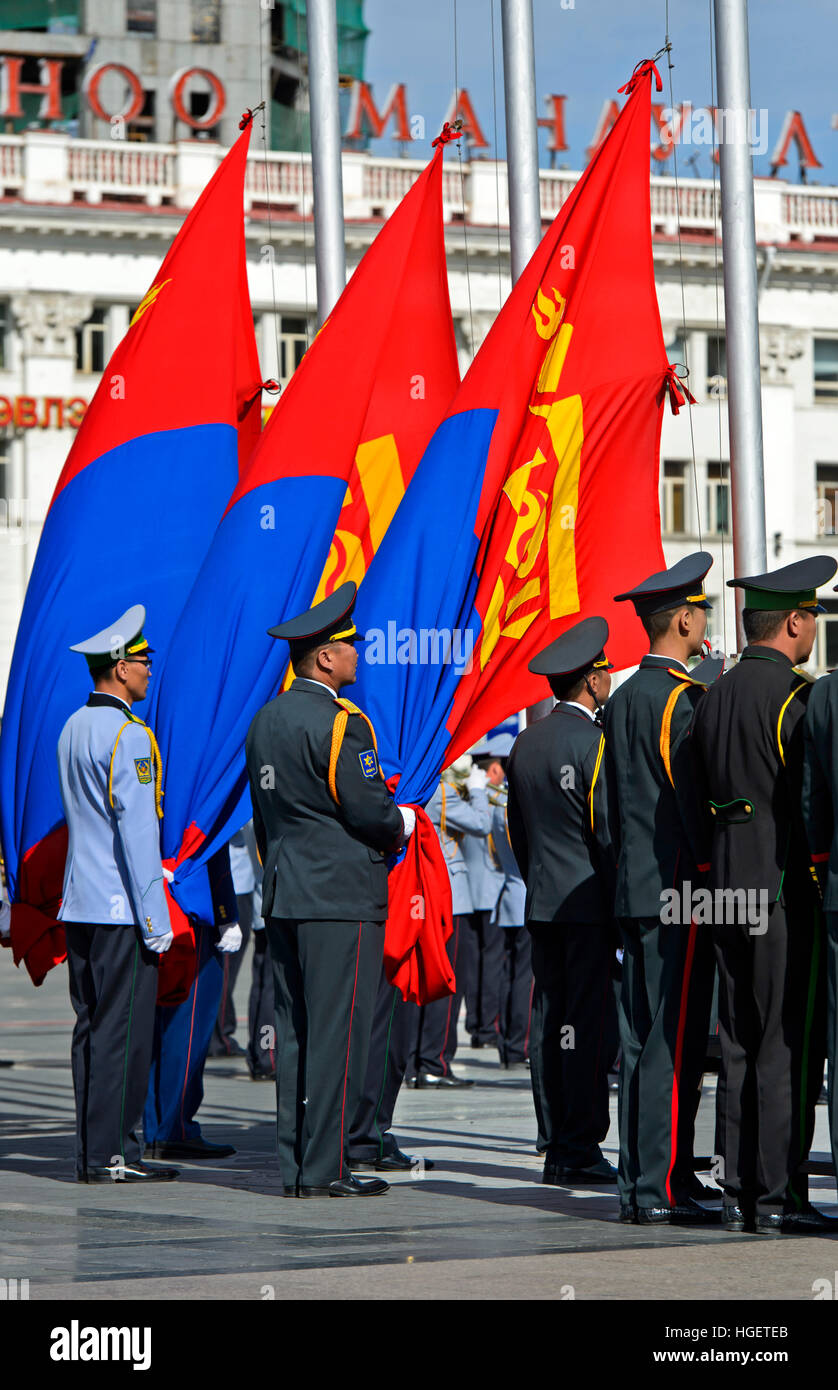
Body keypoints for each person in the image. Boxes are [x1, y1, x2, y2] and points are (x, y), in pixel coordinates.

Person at [246, 581, 413, 1198]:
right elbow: (370, 810)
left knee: (295, 1033)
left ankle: (296, 1164)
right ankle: (328, 1168)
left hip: (286, 891)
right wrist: (404, 823)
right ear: (324, 658)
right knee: (340, 1032)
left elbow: (264, 818)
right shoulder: (343, 723)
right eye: (350, 648)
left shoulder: (265, 721)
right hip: (341, 895)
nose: (358, 656)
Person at [694, 556, 837, 1235]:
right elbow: (807, 804)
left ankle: (736, 1190)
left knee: (740, 1041)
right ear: (795, 623)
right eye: (811, 620)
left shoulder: (711, 695)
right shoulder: (794, 697)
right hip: (781, 891)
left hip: (722, 888)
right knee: (786, 1042)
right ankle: (781, 1194)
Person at [604, 554, 718, 1225]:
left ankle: (648, 1177)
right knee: (671, 1040)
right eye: (701, 611)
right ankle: (661, 1188)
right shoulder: (682, 701)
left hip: (632, 887)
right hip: (678, 891)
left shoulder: (619, 700)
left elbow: (610, 807)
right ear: (683, 619)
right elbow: (693, 804)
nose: (704, 621)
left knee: (642, 1039)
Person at [57, 605, 178, 1183]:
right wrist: (157, 923)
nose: (150, 671)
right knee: (121, 1037)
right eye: (144, 661)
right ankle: (113, 1155)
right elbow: (137, 836)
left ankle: (91, 1151)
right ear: (121, 669)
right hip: (120, 909)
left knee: (89, 1029)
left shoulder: (73, 727)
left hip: (78, 904)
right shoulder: (131, 736)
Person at [506, 616, 618, 1186]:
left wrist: (539, 881)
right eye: (604, 672)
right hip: (589, 906)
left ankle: (554, 1139)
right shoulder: (595, 742)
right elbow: (605, 832)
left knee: (550, 1025)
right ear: (591, 681)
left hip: (543, 901)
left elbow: (517, 832)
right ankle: (580, 1144)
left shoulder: (526, 742)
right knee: (588, 1026)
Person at [142, 845, 241, 1162]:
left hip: (151, 896)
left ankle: (154, 1124)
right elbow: (210, 842)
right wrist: (226, 911)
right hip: (191, 899)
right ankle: (174, 1128)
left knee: (156, 1022)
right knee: (189, 1021)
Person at [409, 759, 489, 1087]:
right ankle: (435, 1061)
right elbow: (481, 824)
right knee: (449, 982)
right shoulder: (440, 790)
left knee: (421, 980)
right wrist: (478, 791)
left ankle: (415, 1058)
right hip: (450, 897)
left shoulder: (409, 785)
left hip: (420, 897)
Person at [483, 736, 533, 1069]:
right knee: (525, 980)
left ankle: (508, 1044)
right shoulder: (517, 809)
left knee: (509, 975)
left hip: (509, 897)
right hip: (525, 893)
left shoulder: (501, 806)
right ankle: (519, 1045)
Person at [461, 743, 506, 1050]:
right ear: (492, 770)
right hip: (492, 891)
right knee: (492, 964)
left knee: (472, 963)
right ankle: (487, 1028)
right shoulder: (495, 800)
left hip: (468, 892)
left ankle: (476, 1023)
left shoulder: (460, 798)